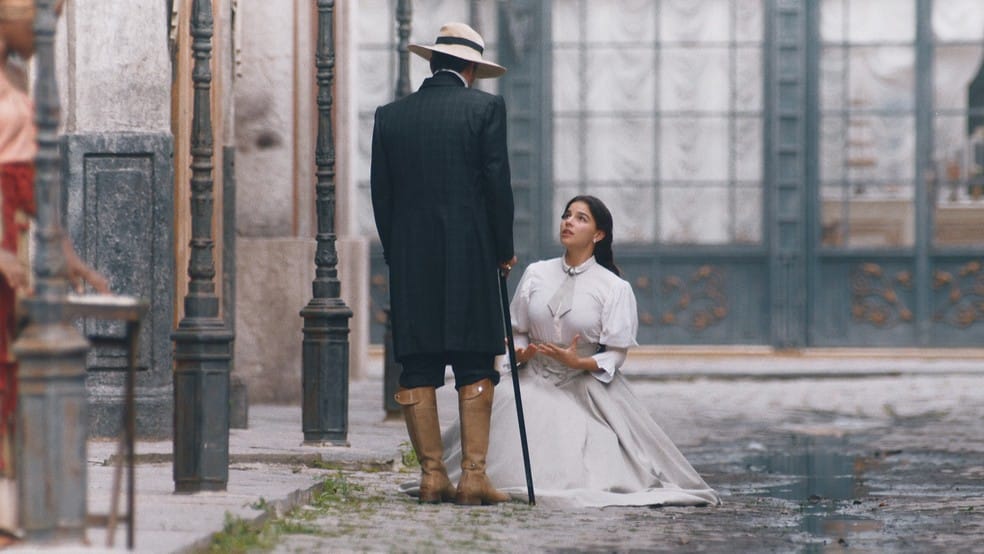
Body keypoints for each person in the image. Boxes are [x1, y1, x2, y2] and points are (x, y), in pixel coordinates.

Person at [407, 195, 721, 508]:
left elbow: (616, 354)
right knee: (510, 424)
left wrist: (579, 361)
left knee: (589, 455)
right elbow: (518, 331)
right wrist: (520, 355)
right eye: (567, 215)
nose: (569, 221)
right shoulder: (536, 274)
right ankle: (463, 479)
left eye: (581, 218)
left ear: (598, 235)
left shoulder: (613, 287)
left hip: (583, 384)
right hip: (533, 377)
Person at [370, 22, 516, 506]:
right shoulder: (486, 108)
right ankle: (473, 477)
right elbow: (498, 186)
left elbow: (382, 198)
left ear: (432, 63)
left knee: (419, 365)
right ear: (471, 69)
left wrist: (397, 253)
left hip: (413, 261)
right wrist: (503, 249)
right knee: (476, 360)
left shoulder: (390, 117)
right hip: (472, 256)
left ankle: (433, 476)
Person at [0, 0, 108, 535]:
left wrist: (71, 261)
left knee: (16, 372)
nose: (48, 32)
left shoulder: (19, 73)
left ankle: (16, 506)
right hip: (2, 239)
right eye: (41, 19)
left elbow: (36, 185)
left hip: (22, 236)